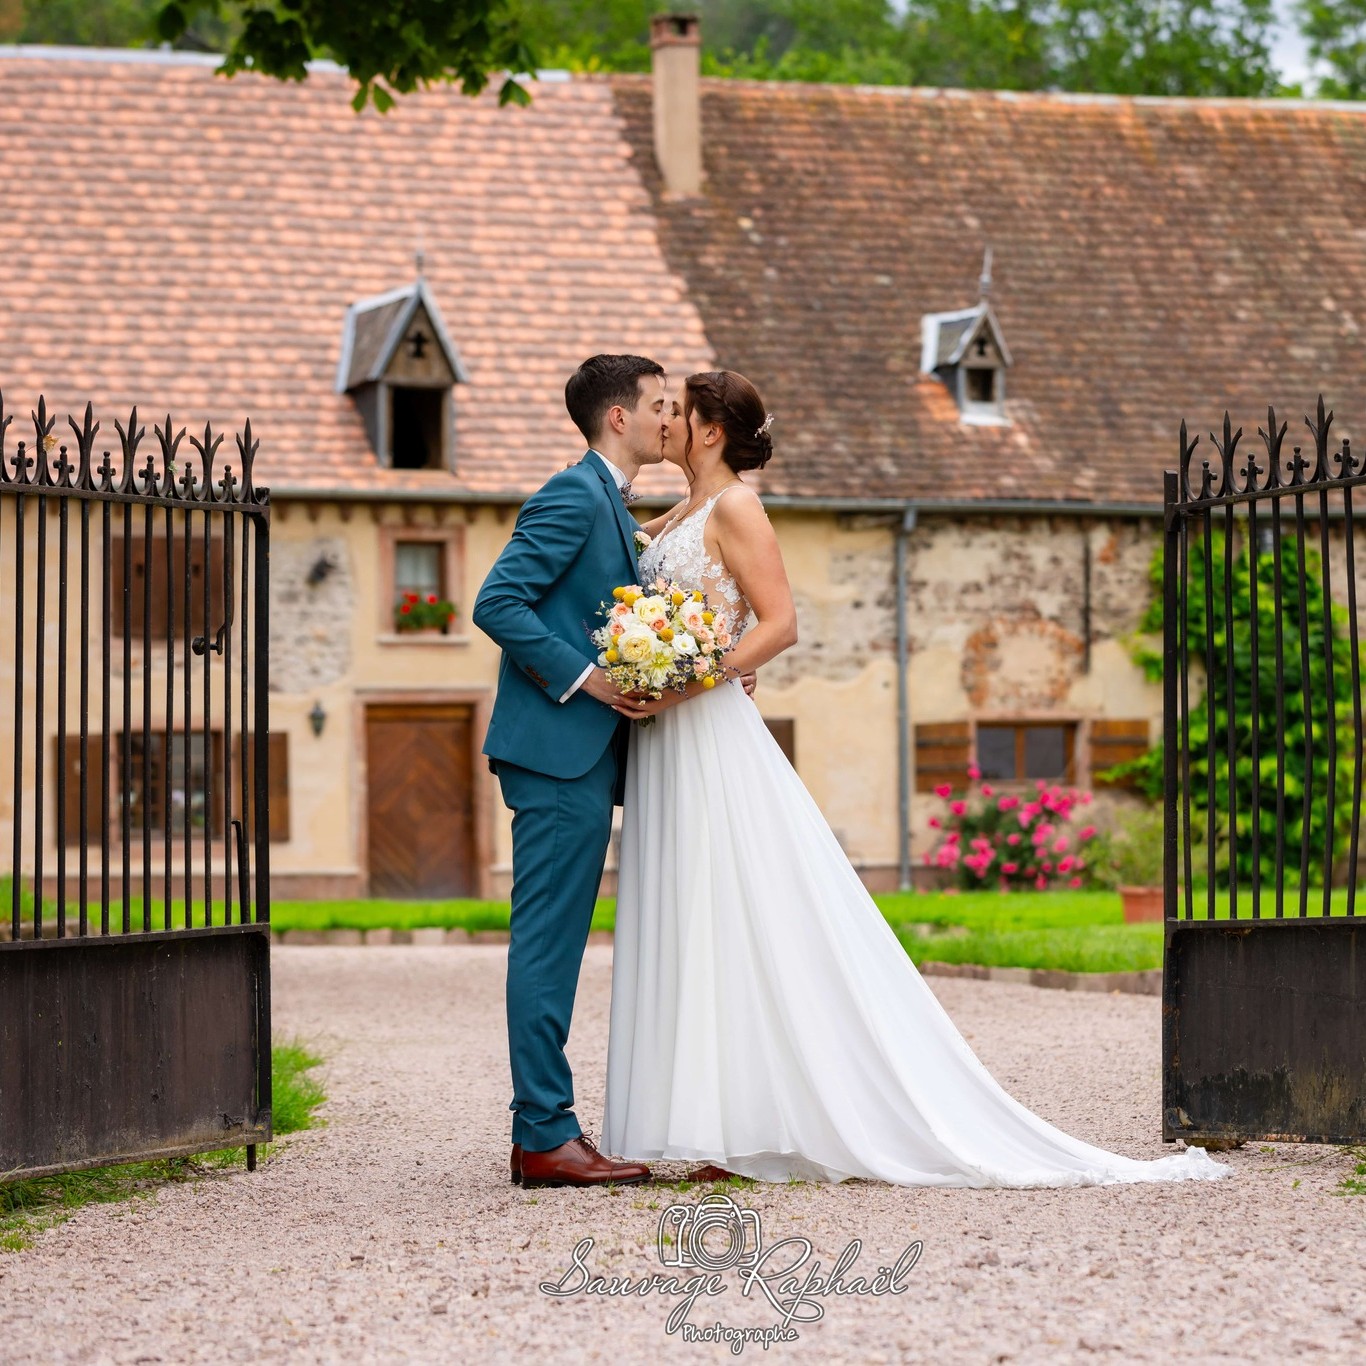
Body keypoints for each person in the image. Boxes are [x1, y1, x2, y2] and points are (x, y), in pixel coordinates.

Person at [600, 370, 1234, 1189]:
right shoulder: (679, 515)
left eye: (679, 413)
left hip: (706, 729)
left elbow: (782, 623)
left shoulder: (738, 509)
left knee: (739, 908)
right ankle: (714, 1117)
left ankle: (768, 1115)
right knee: (692, 907)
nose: (668, 423)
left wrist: (696, 675)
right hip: (667, 739)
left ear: (712, 431)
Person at [471, 354, 666, 1191]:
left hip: (580, 757)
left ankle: (546, 1131)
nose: (671, 416)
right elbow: (497, 601)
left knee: (556, 943)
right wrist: (589, 678)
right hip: (555, 753)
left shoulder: (612, 506)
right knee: (547, 947)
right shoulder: (571, 493)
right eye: (659, 404)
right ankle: (544, 1136)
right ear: (617, 417)